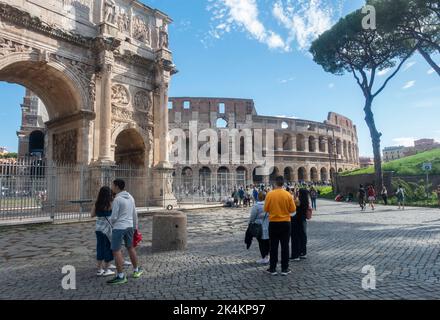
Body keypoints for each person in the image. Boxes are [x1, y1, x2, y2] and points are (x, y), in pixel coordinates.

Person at [107, 179, 143, 285]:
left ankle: (121, 276)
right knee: (130, 247)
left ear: (117, 187)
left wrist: (112, 224)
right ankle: (136, 270)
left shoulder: (117, 199)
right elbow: (134, 213)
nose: (112, 187)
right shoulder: (130, 197)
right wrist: (135, 227)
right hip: (130, 226)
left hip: (119, 227)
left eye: (113, 186)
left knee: (116, 250)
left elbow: (113, 217)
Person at [264, 176, 296, 276]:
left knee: (273, 246)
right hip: (286, 223)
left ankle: (272, 268)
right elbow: (293, 210)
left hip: (273, 223)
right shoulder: (288, 194)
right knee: (285, 246)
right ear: (283, 183)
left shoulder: (270, 194)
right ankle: (284, 269)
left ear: (275, 183)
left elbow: (266, 209)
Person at [91, 186, 116, 277]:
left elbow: (92, 215)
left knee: (100, 247)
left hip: (98, 229)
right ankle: (107, 269)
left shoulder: (97, 203)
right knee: (108, 248)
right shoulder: (111, 203)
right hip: (107, 230)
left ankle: (99, 269)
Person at [249, 192, 270, 264]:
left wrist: (251, 222)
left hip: (259, 226)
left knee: (261, 242)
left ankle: (264, 257)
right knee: (268, 241)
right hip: (268, 225)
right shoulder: (269, 204)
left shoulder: (256, 206)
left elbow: (252, 217)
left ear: (258, 197)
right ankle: (267, 256)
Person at [291, 188, 309, 261]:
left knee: (297, 237)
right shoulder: (306, 201)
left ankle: (296, 254)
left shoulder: (299, 201)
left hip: (297, 221)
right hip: (303, 220)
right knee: (303, 236)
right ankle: (303, 252)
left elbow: (293, 207)